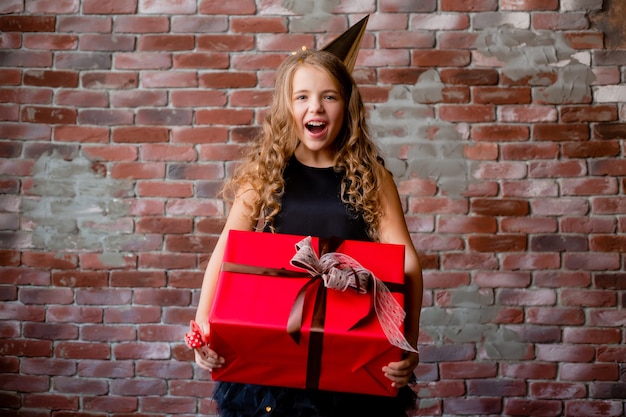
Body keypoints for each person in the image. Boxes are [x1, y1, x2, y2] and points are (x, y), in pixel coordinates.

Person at [191, 17, 423, 417]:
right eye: (302, 98)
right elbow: (225, 251)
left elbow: (409, 265)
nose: (315, 107)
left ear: (346, 104)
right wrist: (203, 330)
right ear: (287, 106)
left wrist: (407, 344)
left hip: (350, 353)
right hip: (271, 358)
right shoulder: (263, 174)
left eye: (328, 97)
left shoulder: (372, 176)